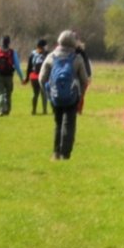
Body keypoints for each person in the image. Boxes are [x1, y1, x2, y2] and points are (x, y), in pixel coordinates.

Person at [39, 31, 90, 160]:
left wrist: (49, 93)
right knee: (69, 124)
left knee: (58, 123)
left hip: (55, 97)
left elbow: (41, 78)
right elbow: (85, 80)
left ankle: (56, 153)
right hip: (72, 96)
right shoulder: (77, 58)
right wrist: (81, 94)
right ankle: (65, 154)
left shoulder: (51, 57)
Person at [0, 36, 25, 116]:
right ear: (9, 43)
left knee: (0, 93)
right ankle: (7, 110)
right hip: (9, 76)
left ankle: (0, 110)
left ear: (1, 42)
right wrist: (22, 78)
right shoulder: (12, 52)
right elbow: (17, 66)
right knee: (8, 94)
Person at [26, 39, 50, 115]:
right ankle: (44, 110)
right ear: (44, 46)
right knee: (44, 94)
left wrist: (27, 78)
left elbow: (29, 67)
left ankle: (33, 110)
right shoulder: (46, 54)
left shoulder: (32, 54)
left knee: (35, 93)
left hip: (33, 77)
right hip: (43, 76)